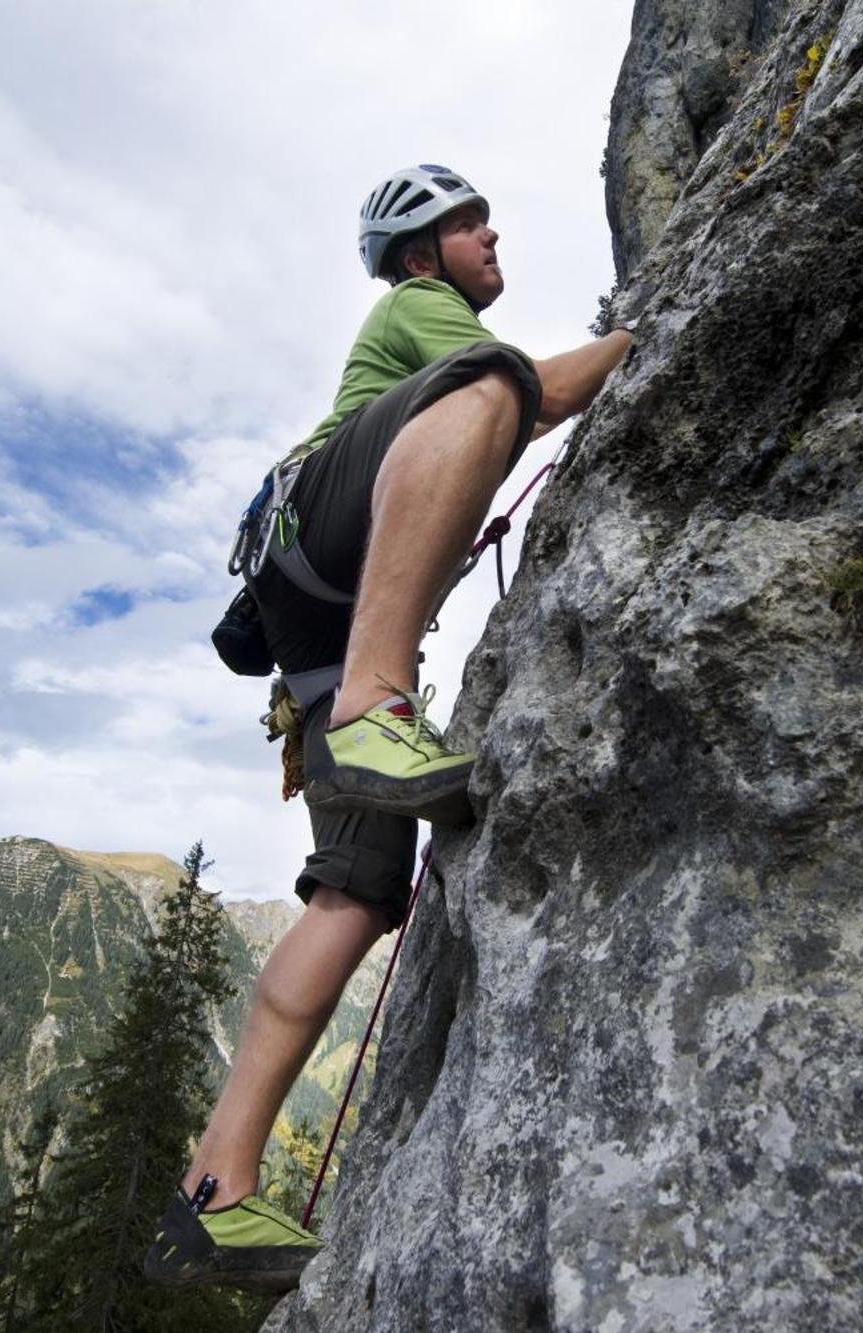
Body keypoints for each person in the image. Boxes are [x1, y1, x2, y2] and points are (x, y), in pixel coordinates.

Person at [144, 165, 635, 1293]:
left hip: (305, 606)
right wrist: (636, 337)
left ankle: (214, 1187)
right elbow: (539, 395)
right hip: (324, 556)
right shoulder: (425, 313)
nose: (488, 231)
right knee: (493, 381)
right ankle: (377, 705)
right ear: (420, 255)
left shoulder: (425, 310)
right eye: (466, 223)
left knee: (358, 888)